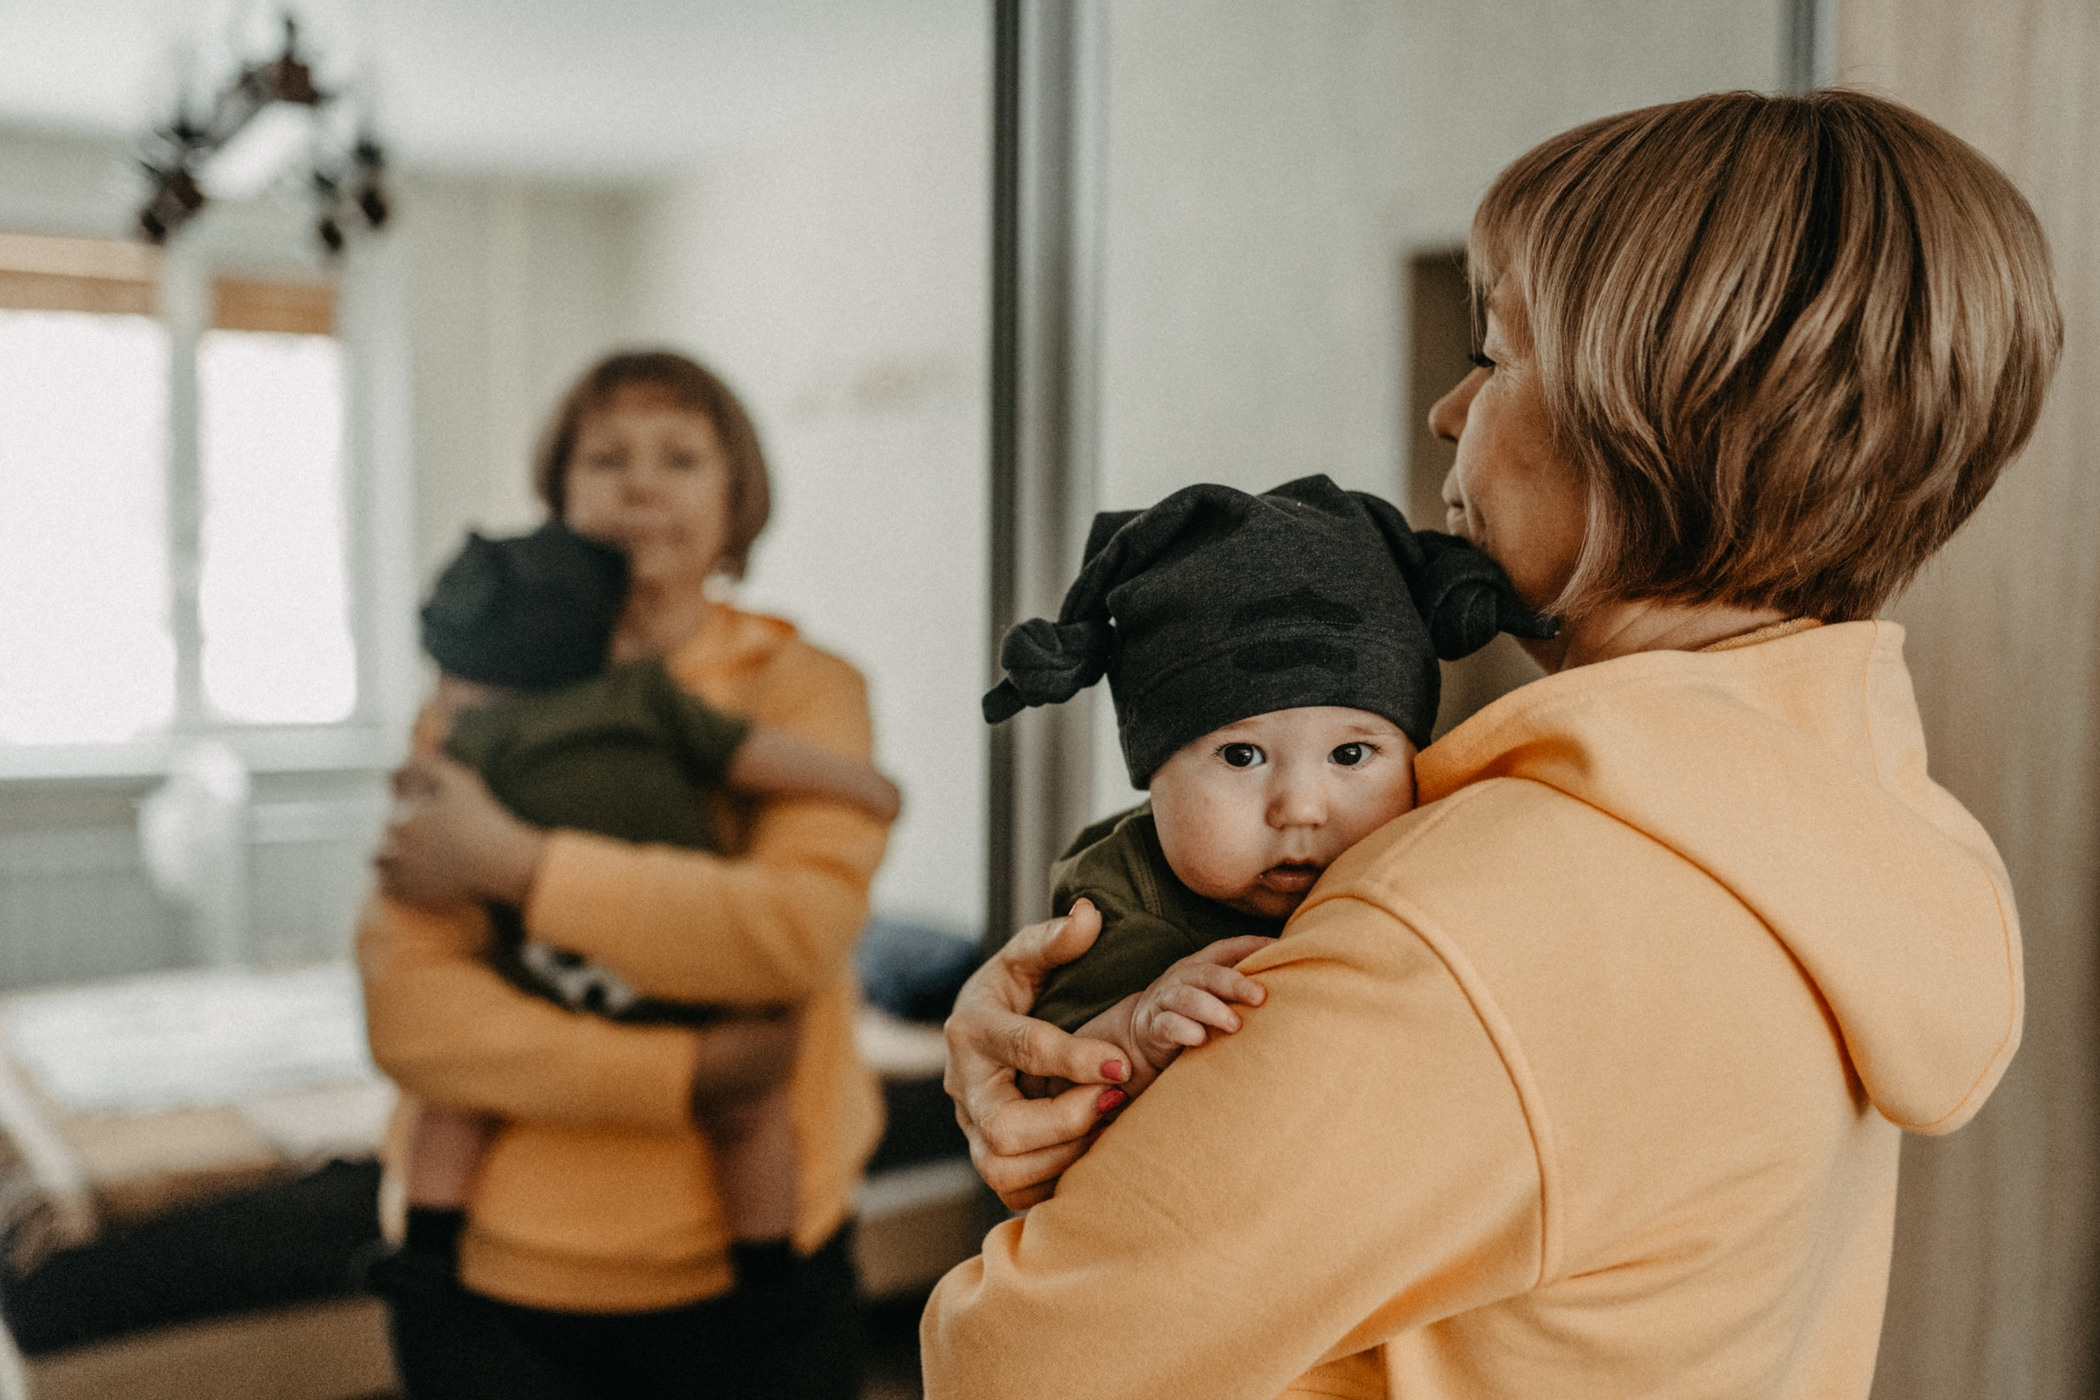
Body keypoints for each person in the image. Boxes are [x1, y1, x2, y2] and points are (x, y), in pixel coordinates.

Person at [925, 89, 2059, 1398]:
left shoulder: (1473, 930)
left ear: (1646, 413)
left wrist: (1070, 1153)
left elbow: (1015, 1364)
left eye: (1498, 352)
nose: (1451, 413)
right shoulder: (1848, 820)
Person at [360, 350, 890, 1400]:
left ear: (737, 501)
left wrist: (511, 862)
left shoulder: (804, 690)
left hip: (761, 1270)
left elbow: (791, 934)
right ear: (558, 501)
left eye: (682, 457)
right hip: (492, 1279)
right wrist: (692, 1075)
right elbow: (413, 1010)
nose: (642, 483)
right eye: (606, 458)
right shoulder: (477, 702)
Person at [394, 519, 900, 1301]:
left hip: (547, 972)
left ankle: (427, 1247)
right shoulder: (646, 697)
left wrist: (481, 851)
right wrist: (865, 786)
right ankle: (767, 1272)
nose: (640, 488)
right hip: (690, 982)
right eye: (605, 457)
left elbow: (417, 855)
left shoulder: (458, 744)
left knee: (458, 1102)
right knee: (752, 1113)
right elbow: (753, 756)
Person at [981, 475, 1547, 1095]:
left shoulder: (1433, 860)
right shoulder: (1115, 902)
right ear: (1153, 772)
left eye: (1351, 753)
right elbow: (1037, 1082)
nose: (1301, 808)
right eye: (1242, 755)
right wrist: (1135, 1031)